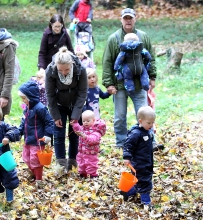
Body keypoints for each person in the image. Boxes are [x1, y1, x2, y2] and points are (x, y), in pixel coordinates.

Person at [101, 8, 157, 148]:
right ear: (121, 20)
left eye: (130, 18)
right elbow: (107, 62)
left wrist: (152, 77)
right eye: (125, 18)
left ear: (135, 19)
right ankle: (121, 143)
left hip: (140, 84)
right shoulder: (114, 39)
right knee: (120, 117)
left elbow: (152, 59)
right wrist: (108, 84)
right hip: (119, 85)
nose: (128, 20)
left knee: (146, 114)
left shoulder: (143, 37)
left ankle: (149, 140)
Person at [45, 46, 88, 173]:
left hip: (77, 104)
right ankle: (61, 164)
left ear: (72, 64)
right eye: (61, 70)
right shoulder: (50, 71)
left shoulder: (81, 70)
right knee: (58, 134)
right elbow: (50, 94)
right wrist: (55, 116)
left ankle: (72, 163)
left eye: (67, 70)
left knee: (74, 134)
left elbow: (82, 92)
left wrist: (75, 115)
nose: (64, 72)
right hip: (59, 104)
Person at [17, 81, 53, 185]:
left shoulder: (40, 108)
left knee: (35, 160)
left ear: (31, 96)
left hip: (37, 141)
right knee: (26, 158)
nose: (23, 101)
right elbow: (24, 122)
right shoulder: (27, 108)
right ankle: (33, 174)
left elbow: (49, 121)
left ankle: (38, 179)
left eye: (24, 98)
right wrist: (19, 132)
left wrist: (48, 135)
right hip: (28, 139)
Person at [121, 106, 155, 208]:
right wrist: (127, 157)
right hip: (139, 163)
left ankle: (127, 192)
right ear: (140, 121)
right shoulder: (136, 133)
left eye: (152, 123)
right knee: (144, 182)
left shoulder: (146, 131)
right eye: (149, 123)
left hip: (147, 161)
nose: (151, 125)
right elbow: (128, 145)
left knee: (140, 180)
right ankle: (146, 202)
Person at [70, 110, 106, 178]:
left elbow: (93, 139)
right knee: (81, 163)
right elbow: (78, 129)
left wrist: (85, 136)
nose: (85, 123)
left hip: (91, 152)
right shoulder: (83, 128)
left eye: (88, 121)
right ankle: (83, 173)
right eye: (84, 121)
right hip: (82, 151)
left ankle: (93, 175)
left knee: (91, 163)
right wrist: (75, 124)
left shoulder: (96, 131)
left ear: (93, 120)